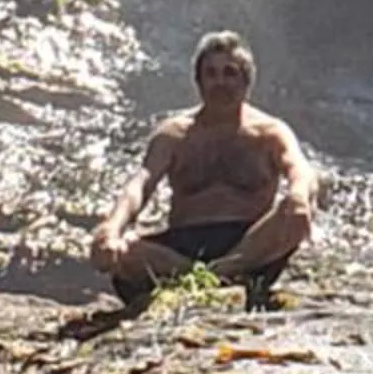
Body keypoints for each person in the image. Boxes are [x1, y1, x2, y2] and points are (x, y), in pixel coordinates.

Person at [89, 29, 315, 308]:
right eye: (212, 73)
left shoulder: (270, 132)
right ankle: (216, 277)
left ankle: (224, 271)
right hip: (183, 248)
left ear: (246, 81)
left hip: (250, 244)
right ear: (199, 81)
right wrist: (111, 228)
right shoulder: (173, 134)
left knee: (295, 215)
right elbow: (141, 184)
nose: (220, 81)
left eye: (230, 72)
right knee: (125, 251)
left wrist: (298, 195)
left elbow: (300, 170)